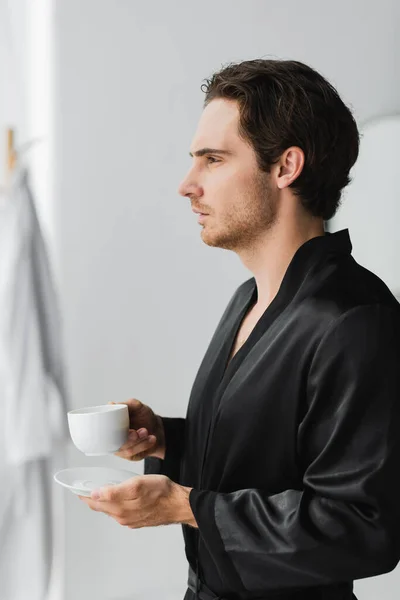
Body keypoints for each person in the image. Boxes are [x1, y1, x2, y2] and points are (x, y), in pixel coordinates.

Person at [78, 59, 400, 600]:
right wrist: (167, 440)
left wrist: (185, 505)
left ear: (286, 167)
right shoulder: (249, 299)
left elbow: (364, 526)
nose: (187, 185)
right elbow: (272, 459)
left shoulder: (353, 320)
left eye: (213, 160)